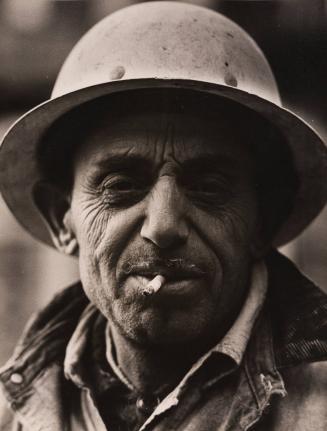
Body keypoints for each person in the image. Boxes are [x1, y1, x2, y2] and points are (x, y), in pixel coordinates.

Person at [0, 2, 326, 430]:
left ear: (264, 217)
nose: (163, 226)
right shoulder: (14, 414)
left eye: (208, 188)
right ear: (62, 217)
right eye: (121, 186)